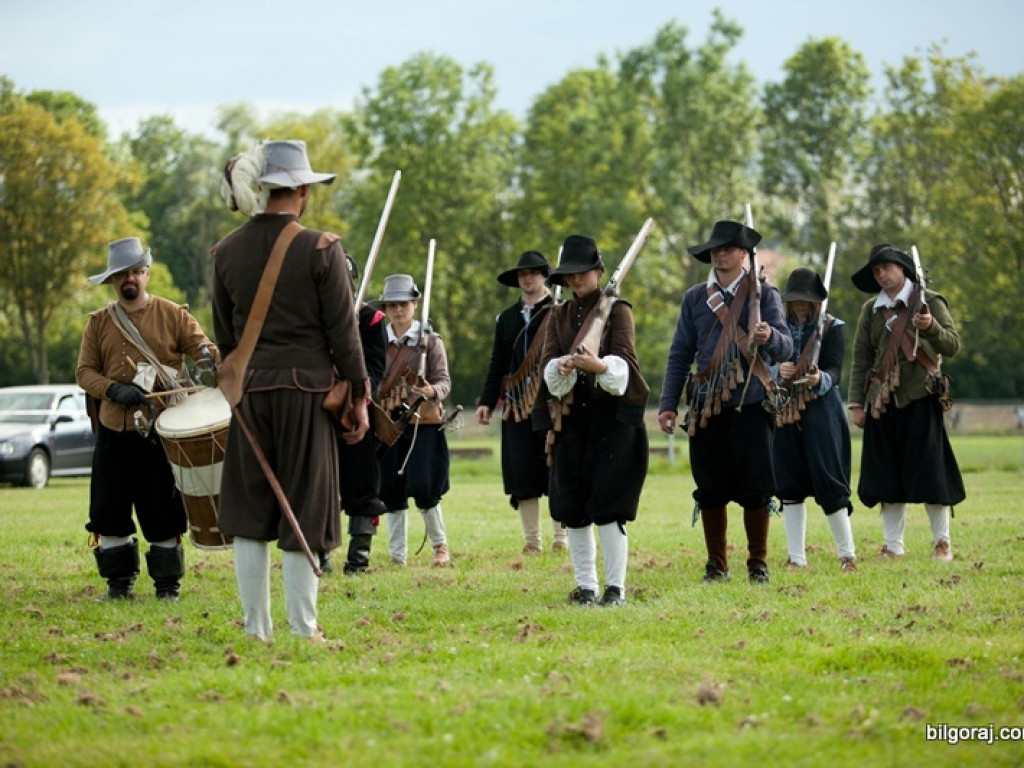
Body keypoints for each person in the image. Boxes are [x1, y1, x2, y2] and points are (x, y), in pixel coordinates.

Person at [213, 139, 369, 642]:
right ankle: (304, 629)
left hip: (250, 394)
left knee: (248, 512)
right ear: (303, 189)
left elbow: (225, 339)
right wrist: (360, 397)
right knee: (306, 506)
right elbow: (345, 337)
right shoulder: (322, 247)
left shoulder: (225, 252)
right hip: (308, 395)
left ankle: (256, 630)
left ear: (262, 188)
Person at [76, 237, 218, 601]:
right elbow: (84, 373)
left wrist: (212, 363)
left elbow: (206, 356)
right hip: (113, 430)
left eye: (136, 272)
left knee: (163, 511)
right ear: (112, 280)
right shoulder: (98, 324)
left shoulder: (174, 314)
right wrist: (111, 390)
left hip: (161, 431)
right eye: (122, 273)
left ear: (146, 273)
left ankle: (167, 586)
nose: (130, 279)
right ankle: (118, 585)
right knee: (108, 511)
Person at [657, 220, 793, 584]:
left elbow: (786, 348)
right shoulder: (694, 298)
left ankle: (758, 565)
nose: (719, 254)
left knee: (757, 488)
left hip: (752, 403)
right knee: (711, 489)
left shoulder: (765, 294)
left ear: (743, 254)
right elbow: (680, 354)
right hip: (706, 405)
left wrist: (769, 336)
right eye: (715, 249)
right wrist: (668, 403)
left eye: (728, 248)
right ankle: (717, 565)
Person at [535, 235, 649, 606]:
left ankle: (615, 588)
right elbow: (548, 364)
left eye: (584, 273)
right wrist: (564, 366)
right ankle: (586, 586)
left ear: (599, 272)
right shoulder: (558, 315)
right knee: (573, 507)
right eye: (571, 275)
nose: (577, 280)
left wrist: (598, 366)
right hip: (572, 420)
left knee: (609, 507)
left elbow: (627, 365)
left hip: (612, 420)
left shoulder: (618, 310)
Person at [847, 244, 965, 560]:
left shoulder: (931, 302)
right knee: (886, 474)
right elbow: (861, 358)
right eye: (876, 270)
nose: (881, 274)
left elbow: (952, 345)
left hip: (921, 396)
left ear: (902, 268)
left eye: (886, 267)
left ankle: (942, 542)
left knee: (931, 473)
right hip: (881, 402)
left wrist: (930, 327)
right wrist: (856, 404)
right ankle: (893, 546)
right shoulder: (870, 309)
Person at [475, 250, 567, 555]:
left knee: (557, 468)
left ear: (544, 276)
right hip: (515, 404)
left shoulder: (559, 310)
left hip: (551, 402)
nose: (527, 278)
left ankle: (560, 538)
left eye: (533, 272)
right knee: (522, 472)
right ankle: (532, 542)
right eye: (522, 274)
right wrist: (488, 400)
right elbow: (497, 362)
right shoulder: (507, 318)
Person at [772, 268, 856, 572]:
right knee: (789, 484)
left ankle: (847, 555)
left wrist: (819, 378)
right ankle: (796, 558)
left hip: (822, 410)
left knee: (830, 481)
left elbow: (835, 372)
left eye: (805, 301)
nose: (799, 306)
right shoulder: (777, 327)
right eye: (795, 301)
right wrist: (776, 371)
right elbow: (764, 361)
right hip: (785, 409)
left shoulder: (833, 328)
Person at [376, 273, 453, 567]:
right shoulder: (376, 341)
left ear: (414, 304)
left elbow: (444, 381)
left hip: (424, 422)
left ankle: (440, 546)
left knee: (424, 487)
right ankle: (397, 556)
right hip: (387, 421)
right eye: (393, 304)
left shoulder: (430, 342)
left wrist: (432, 390)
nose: (398, 310)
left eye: (404, 303)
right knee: (391, 490)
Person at [327, 253, 388, 575]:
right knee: (320, 486)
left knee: (362, 487)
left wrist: (357, 398)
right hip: (320, 410)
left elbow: (376, 369)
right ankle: (320, 555)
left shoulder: (371, 320)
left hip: (356, 409)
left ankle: (358, 560)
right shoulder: (315, 317)